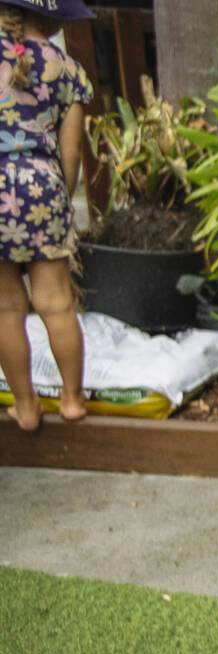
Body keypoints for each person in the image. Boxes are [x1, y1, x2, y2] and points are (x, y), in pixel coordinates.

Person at [0, 0, 94, 431]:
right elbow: (71, 151)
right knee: (55, 303)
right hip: (42, 188)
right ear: (57, 18)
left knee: (5, 308)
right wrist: (61, 193)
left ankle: (25, 407)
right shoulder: (67, 70)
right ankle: (72, 400)